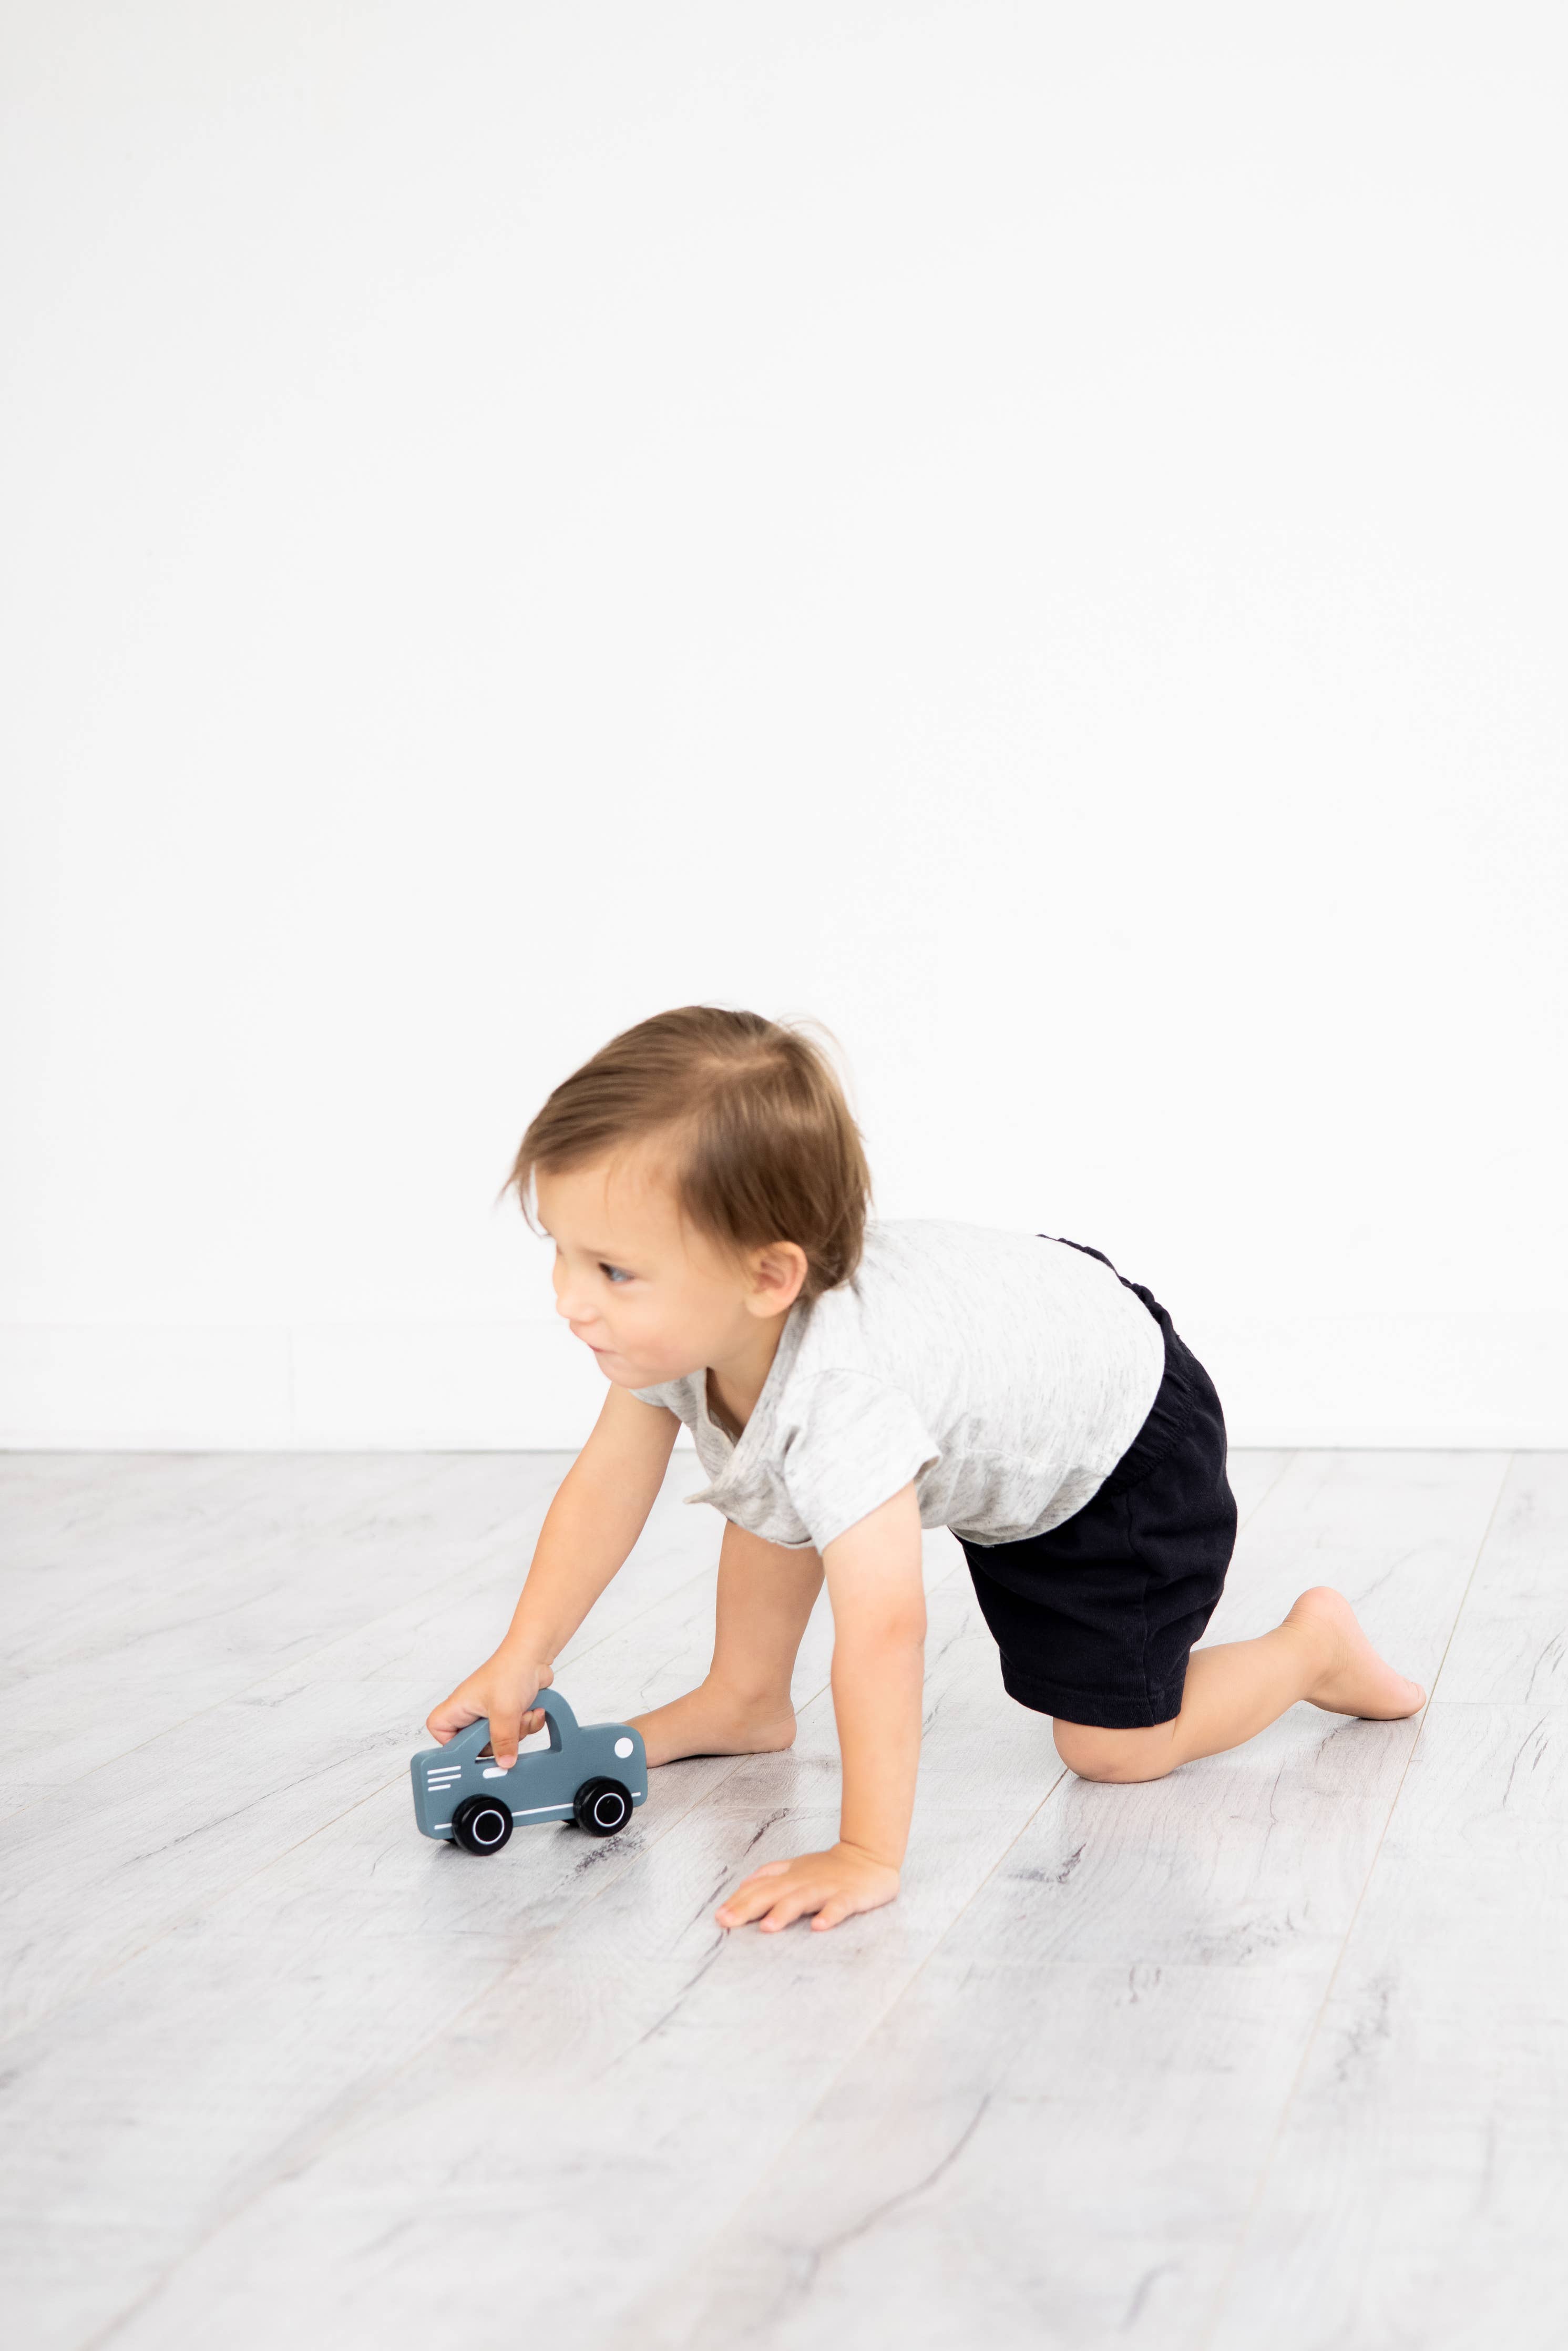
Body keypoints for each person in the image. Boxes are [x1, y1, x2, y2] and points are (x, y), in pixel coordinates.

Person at [426, 1006, 1424, 1935]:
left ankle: (1311, 1648)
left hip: (1109, 1443)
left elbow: (886, 1628)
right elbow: (606, 1485)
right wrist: (526, 1651)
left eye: (611, 1272)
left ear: (769, 1276)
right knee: (773, 1471)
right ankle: (745, 1697)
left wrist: (866, 1849)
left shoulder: (844, 1396)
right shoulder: (691, 1332)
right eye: (560, 1253)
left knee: (1113, 1750)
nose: (570, 1300)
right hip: (1013, 1337)